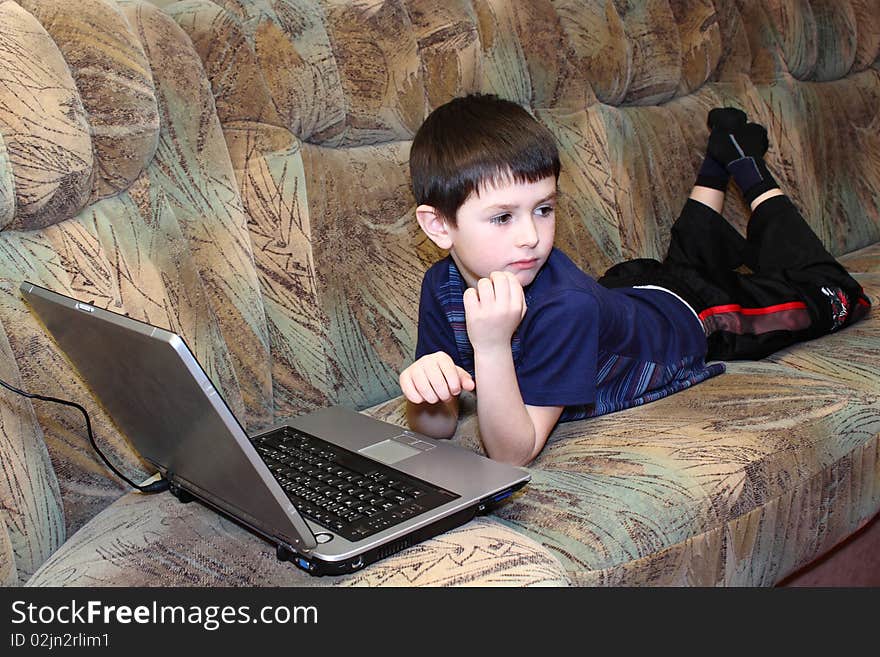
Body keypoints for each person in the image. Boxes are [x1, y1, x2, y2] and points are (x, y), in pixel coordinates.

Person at [398, 94, 871, 466]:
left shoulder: (565, 307)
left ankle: (748, 169)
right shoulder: (440, 286)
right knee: (684, 263)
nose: (531, 238)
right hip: (629, 289)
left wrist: (492, 347)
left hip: (693, 317)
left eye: (544, 209)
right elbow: (438, 429)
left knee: (838, 295)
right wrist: (424, 394)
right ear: (440, 226)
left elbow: (513, 452)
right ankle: (719, 154)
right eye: (502, 217)